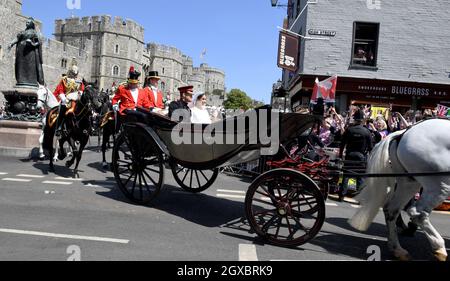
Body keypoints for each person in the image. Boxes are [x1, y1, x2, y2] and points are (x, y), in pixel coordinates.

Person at [339, 109, 373, 201]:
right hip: (361, 156)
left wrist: (340, 155)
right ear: (362, 120)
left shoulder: (349, 130)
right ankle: (360, 197)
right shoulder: (367, 132)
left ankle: (342, 195)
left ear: (354, 119)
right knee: (360, 176)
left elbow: (342, 144)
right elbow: (370, 148)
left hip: (349, 155)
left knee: (346, 175)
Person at [8, 17, 45, 87]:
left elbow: (39, 42)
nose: (26, 23)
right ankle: (21, 81)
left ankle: (31, 82)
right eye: (26, 22)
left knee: (30, 67)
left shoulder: (34, 33)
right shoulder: (23, 32)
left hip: (30, 53)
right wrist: (11, 43)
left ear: (31, 24)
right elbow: (17, 39)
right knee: (20, 67)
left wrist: (32, 43)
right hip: (21, 53)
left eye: (28, 22)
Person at [53, 60, 85, 137]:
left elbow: (82, 88)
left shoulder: (79, 81)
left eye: (75, 73)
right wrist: (63, 97)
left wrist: (80, 92)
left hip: (76, 97)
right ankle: (59, 127)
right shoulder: (65, 79)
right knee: (62, 109)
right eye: (73, 73)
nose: (74, 74)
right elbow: (60, 88)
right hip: (66, 97)